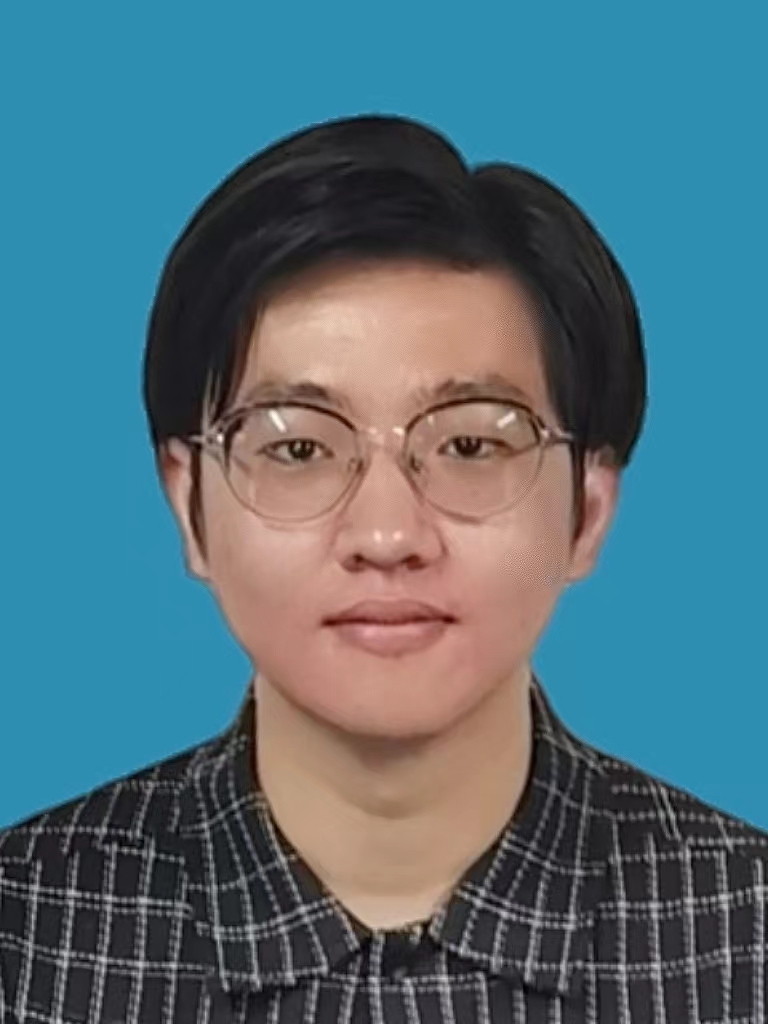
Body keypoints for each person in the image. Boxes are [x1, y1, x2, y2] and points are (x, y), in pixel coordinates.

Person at [1, 114, 765, 1024]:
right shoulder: (27, 935)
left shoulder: (745, 935)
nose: (387, 533)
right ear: (188, 504)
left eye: (472, 444)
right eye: (297, 448)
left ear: (588, 511)